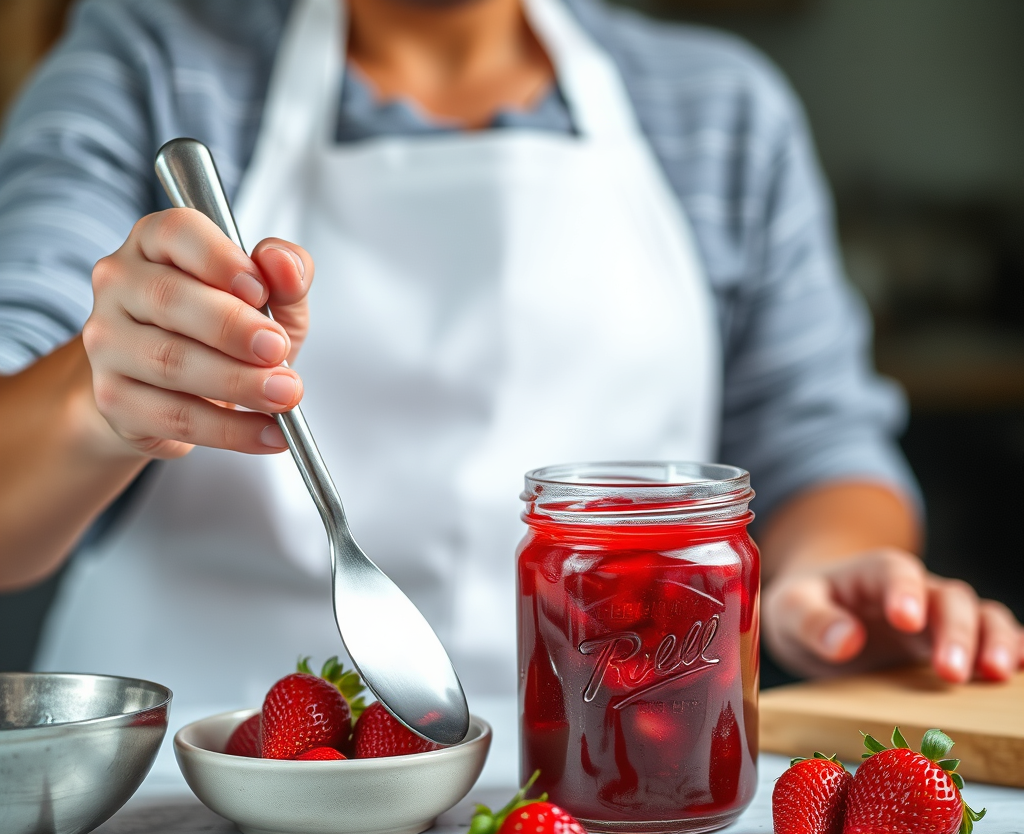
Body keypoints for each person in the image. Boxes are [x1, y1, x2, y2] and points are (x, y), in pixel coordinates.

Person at [0, 0, 1019, 708]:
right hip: (183, 806)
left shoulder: (720, 111)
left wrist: (827, 578)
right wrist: (106, 390)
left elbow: (816, 446)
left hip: (609, 782)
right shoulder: (143, 65)